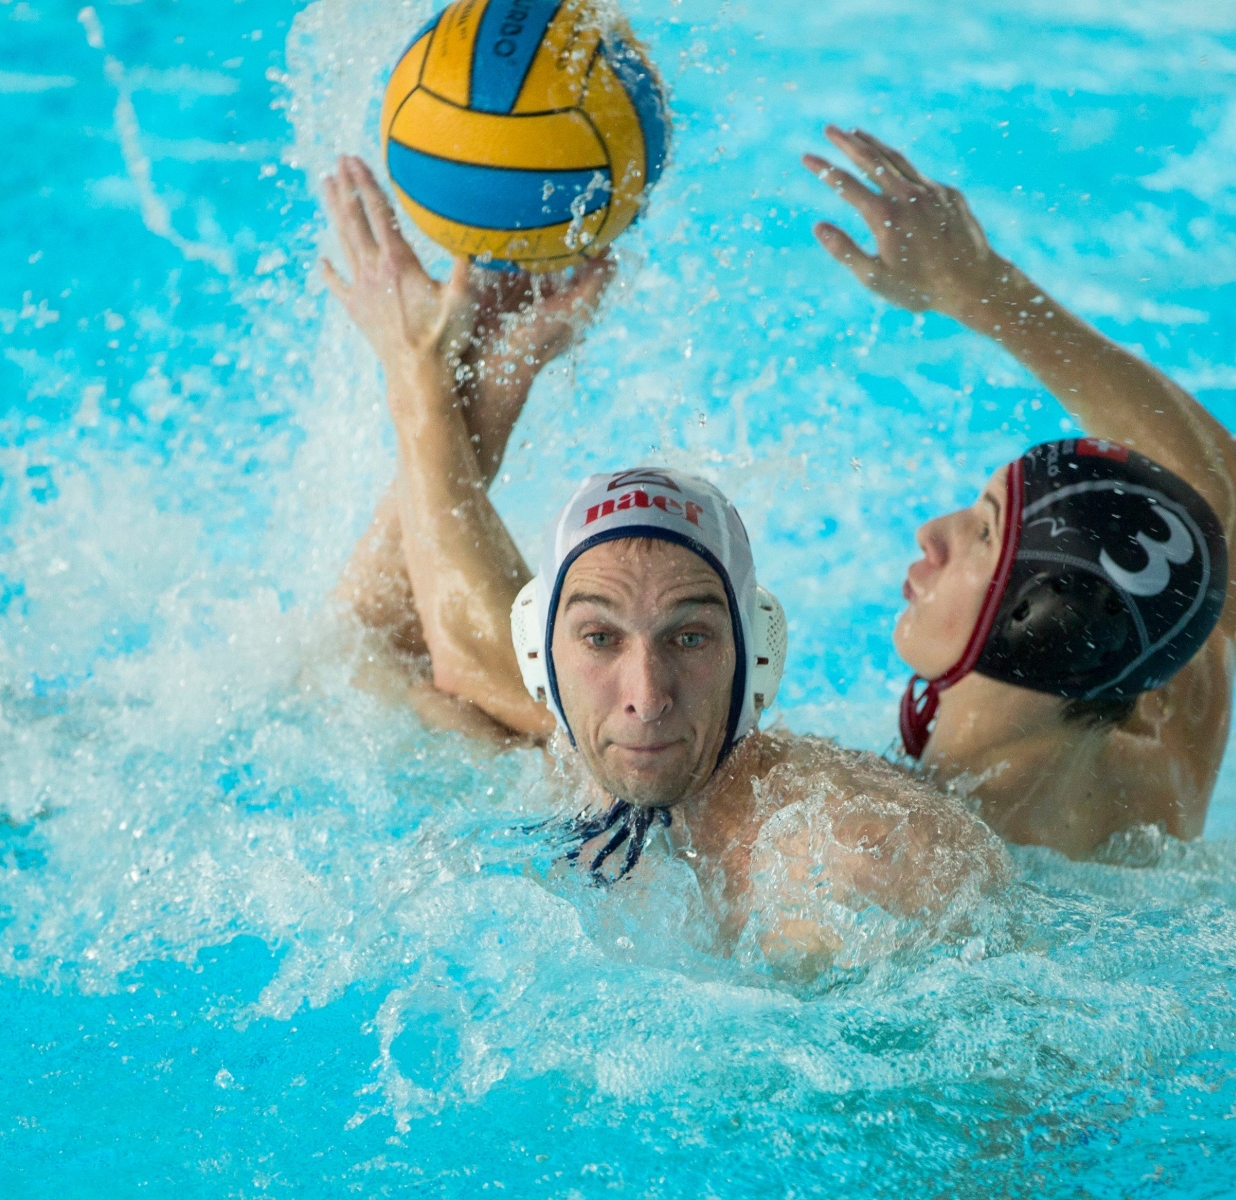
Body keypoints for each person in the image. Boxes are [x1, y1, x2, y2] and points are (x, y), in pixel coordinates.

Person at [317, 155, 1007, 967]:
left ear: (758, 655)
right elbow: (356, 650)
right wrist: (480, 375)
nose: (646, 698)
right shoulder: (564, 764)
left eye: (689, 638)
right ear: (541, 659)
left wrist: (421, 380)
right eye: (600, 639)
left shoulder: (869, 852)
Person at [802, 126, 1236, 859]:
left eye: (986, 532)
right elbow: (1220, 486)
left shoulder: (881, 841)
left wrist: (984, 290)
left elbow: (573, 731)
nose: (932, 531)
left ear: (1036, 616)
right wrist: (977, 286)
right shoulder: (1157, 777)